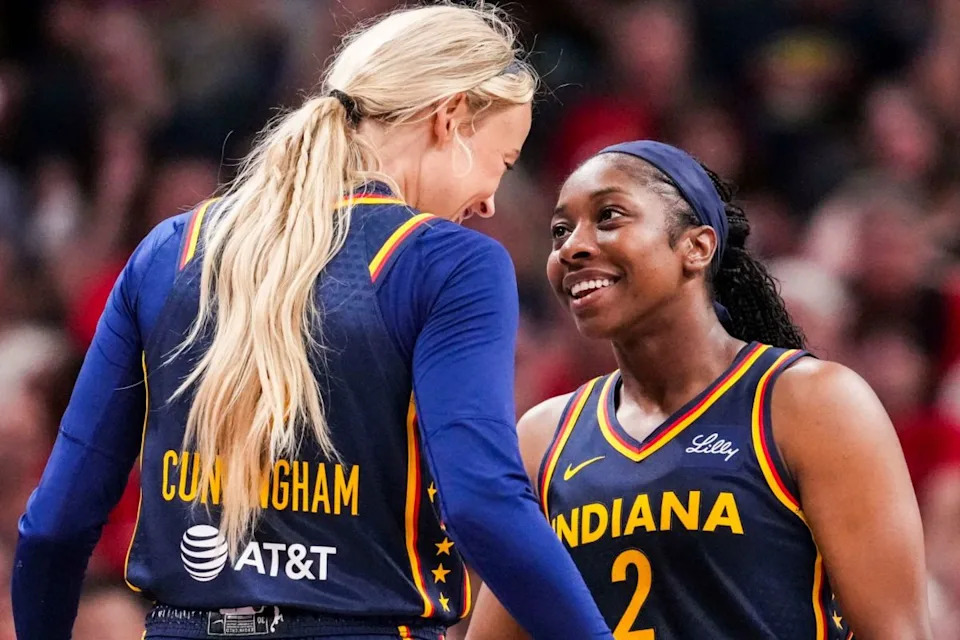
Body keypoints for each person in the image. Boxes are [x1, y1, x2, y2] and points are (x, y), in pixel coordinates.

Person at [12, 6, 614, 640]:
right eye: (503, 158)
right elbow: (483, 504)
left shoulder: (169, 252)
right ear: (449, 120)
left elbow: (55, 522)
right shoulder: (448, 264)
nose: (492, 198)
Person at [466, 141, 932, 639]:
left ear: (697, 246)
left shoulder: (811, 403)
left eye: (608, 216)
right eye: (560, 230)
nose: (572, 247)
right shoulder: (543, 436)